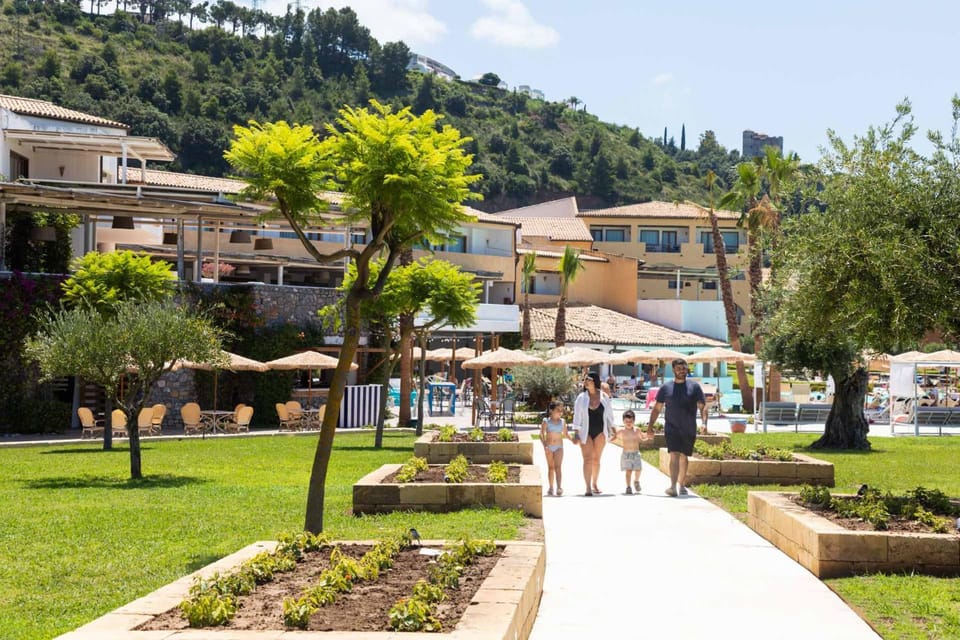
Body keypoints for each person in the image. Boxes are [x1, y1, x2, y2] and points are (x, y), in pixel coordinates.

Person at [647, 358, 706, 497]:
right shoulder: (666, 388)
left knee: (684, 456)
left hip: (689, 427)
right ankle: (673, 486)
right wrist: (650, 426)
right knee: (674, 454)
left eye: (684, 368)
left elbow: (702, 407)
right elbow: (657, 409)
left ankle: (682, 484)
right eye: (679, 369)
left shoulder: (695, 387)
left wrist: (704, 423)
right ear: (673, 370)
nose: (682, 371)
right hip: (672, 427)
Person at [572, 371, 615, 496]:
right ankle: (587, 487)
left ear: (594, 381)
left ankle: (595, 483)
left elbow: (610, 415)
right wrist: (576, 432)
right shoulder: (581, 398)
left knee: (596, 459)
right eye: (585, 379)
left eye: (588, 379)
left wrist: (613, 430)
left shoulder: (604, 397)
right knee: (587, 459)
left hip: (600, 431)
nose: (585, 381)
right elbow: (577, 417)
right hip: (586, 431)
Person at [610, 410, 649, 494]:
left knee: (638, 470)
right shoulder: (621, 431)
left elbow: (642, 438)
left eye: (630, 421)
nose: (628, 423)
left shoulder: (637, 430)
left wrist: (648, 437)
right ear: (623, 421)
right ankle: (628, 487)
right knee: (628, 471)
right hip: (626, 455)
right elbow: (614, 437)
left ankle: (636, 481)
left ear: (634, 421)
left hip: (636, 454)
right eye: (626, 421)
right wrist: (608, 439)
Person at [539, 400, 569, 496]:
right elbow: (541, 434)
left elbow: (566, 434)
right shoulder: (546, 421)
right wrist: (545, 445)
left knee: (558, 467)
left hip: (559, 447)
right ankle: (551, 487)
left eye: (561, 410)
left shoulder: (562, 422)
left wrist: (575, 440)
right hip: (549, 447)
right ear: (551, 410)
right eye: (558, 410)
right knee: (551, 468)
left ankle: (559, 487)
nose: (560, 412)